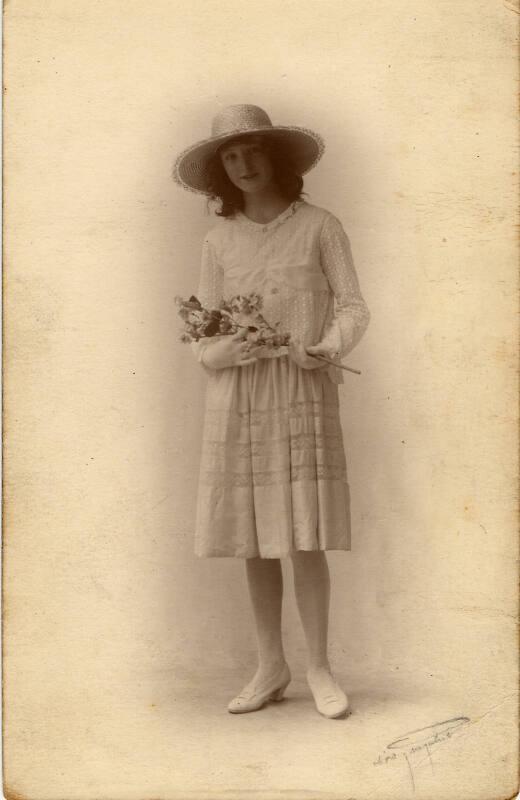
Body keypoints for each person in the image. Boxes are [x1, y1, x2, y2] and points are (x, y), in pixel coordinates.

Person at [173, 104, 370, 718]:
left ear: (277, 157)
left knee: (304, 536)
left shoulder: (320, 226)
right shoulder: (218, 241)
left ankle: (318, 667)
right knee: (256, 540)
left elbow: (353, 307)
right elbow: (203, 335)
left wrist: (326, 347)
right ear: (219, 172)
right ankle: (270, 665)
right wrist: (227, 348)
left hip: (302, 391)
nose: (243, 164)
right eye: (230, 156)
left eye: (253, 150)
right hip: (240, 400)